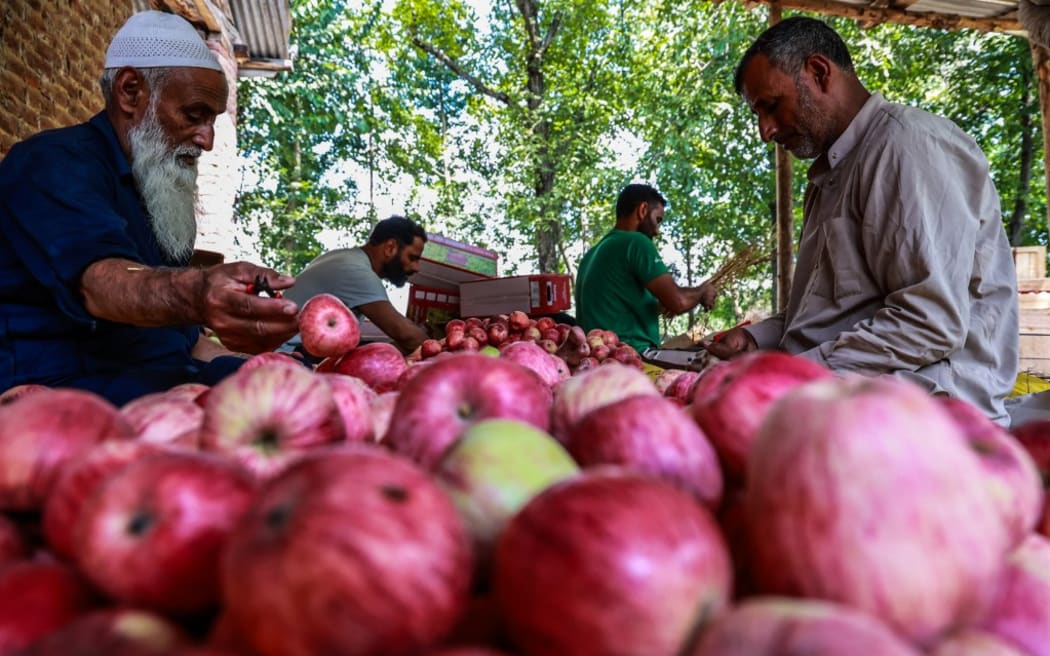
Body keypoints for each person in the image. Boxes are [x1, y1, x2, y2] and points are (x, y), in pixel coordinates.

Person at [706, 16, 1019, 425]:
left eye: (771, 106)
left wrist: (794, 376)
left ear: (818, 72)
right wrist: (755, 338)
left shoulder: (904, 147)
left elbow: (929, 322)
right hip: (846, 403)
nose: (765, 130)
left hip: (923, 419)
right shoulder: (830, 177)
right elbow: (826, 314)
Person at [0, 11, 301, 405]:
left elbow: (187, 344)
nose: (207, 140)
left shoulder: (157, 191)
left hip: (164, 384)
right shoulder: (52, 163)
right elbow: (102, 284)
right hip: (68, 397)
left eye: (212, 121)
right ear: (130, 91)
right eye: (195, 116)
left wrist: (262, 365)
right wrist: (200, 293)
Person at [575, 183, 717, 353]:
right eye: (658, 220)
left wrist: (661, 305)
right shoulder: (635, 242)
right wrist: (703, 291)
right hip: (631, 356)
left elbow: (614, 309)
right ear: (643, 209)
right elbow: (679, 302)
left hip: (598, 357)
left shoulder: (592, 254)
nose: (657, 231)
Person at [283, 216, 430, 356]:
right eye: (412, 258)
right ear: (390, 248)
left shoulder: (343, 257)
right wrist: (442, 346)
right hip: (291, 355)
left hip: (294, 349)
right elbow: (407, 336)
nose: (416, 268)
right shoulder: (356, 270)